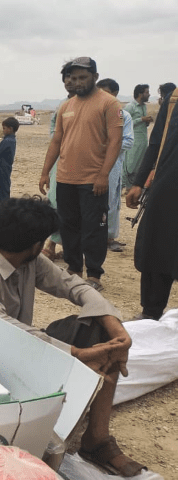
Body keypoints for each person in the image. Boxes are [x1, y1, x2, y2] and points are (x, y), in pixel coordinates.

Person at [0, 197, 144, 477]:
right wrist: (73, 354)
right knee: (76, 349)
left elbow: (73, 285)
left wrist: (116, 329)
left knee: (99, 332)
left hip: (21, 349)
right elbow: (0, 330)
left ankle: (96, 440)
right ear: (36, 244)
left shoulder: (28, 261)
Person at [39, 57, 123, 292]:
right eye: (73, 78)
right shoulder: (66, 106)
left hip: (93, 180)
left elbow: (115, 142)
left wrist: (103, 175)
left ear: (95, 77)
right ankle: (74, 269)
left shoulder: (109, 104)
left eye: (83, 77)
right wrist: (45, 172)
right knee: (68, 226)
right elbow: (57, 140)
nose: (77, 82)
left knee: (94, 228)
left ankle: (94, 275)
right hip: (65, 178)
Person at [125, 84, 177, 321]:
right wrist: (138, 182)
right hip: (169, 185)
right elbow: (156, 142)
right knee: (157, 243)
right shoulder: (174, 98)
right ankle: (151, 313)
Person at [42, 61, 77, 261]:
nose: (71, 83)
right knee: (57, 201)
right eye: (67, 79)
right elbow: (54, 136)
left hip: (87, 165)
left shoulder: (97, 106)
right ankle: (51, 244)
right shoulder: (62, 107)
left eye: (76, 78)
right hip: (62, 162)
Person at [96, 79, 134, 253]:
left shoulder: (123, 116)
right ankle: (93, 235)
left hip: (111, 167)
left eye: (105, 92)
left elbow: (127, 141)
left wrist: (107, 148)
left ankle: (109, 237)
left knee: (110, 201)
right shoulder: (94, 114)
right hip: (91, 165)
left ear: (115, 94)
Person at [122, 84, 153, 190]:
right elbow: (124, 123)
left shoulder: (144, 106)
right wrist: (141, 119)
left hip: (143, 141)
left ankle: (131, 188)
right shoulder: (130, 107)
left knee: (139, 166)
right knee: (129, 166)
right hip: (133, 142)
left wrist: (147, 121)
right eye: (147, 92)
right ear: (140, 94)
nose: (149, 94)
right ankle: (123, 187)